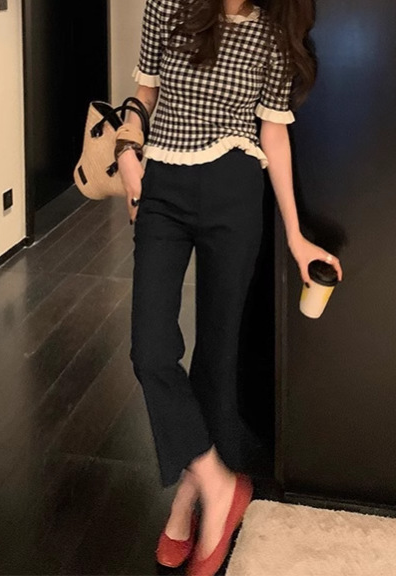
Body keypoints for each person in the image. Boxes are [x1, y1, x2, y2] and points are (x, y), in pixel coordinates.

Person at [115, 0, 344, 574]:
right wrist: (126, 149)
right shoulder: (167, 4)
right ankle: (219, 482)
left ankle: (189, 498)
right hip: (163, 188)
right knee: (150, 352)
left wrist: (295, 236)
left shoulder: (274, 28)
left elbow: (274, 132)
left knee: (216, 358)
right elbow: (144, 93)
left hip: (235, 191)